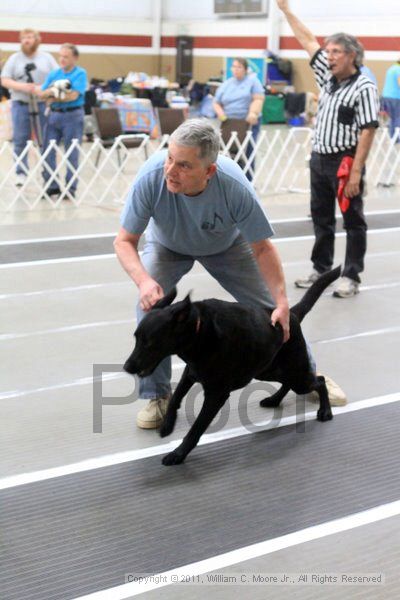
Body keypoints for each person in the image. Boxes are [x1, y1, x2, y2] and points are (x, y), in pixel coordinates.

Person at [114, 119, 346, 430]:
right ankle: (158, 394)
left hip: (227, 246)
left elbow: (263, 249)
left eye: (183, 165)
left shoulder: (235, 187)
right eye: (169, 158)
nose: (170, 170)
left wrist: (281, 299)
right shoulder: (151, 178)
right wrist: (144, 281)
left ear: (209, 170)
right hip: (167, 245)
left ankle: (308, 373)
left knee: (277, 317)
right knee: (148, 314)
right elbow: (124, 241)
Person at [276, 0, 379, 299]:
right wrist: (286, 11)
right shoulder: (327, 78)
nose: (328, 56)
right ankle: (321, 269)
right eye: (328, 51)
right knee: (321, 217)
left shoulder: (364, 87)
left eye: (335, 52)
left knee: (352, 220)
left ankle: (351, 275)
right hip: (319, 159)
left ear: (352, 56)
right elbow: (307, 39)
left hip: (345, 162)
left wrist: (357, 170)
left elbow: (368, 129)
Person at [0, 29, 57, 186]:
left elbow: (58, 77)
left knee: (45, 139)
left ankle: (48, 173)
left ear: (37, 39)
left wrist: (44, 90)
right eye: (24, 37)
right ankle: (21, 172)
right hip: (20, 103)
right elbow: (4, 80)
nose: (26, 40)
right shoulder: (14, 59)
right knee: (20, 139)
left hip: (41, 103)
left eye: (30, 37)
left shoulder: (47, 58)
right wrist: (23, 87)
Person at [37, 43, 87, 198]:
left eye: (66, 56)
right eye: (61, 56)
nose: (62, 59)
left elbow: (74, 96)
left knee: (71, 152)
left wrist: (52, 94)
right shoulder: (54, 73)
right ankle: (51, 185)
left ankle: (70, 189)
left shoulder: (80, 73)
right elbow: (41, 94)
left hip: (73, 116)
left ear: (75, 58)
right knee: (47, 151)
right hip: (53, 115)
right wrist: (55, 93)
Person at [213, 58, 265, 181]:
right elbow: (216, 102)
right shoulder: (227, 83)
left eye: (239, 67)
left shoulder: (253, 81)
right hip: (228, 122)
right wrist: (221, 114)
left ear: (245, 69)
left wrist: (253, 113)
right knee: (226, 150)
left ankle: (247, 180)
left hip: (247, 122)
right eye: (234, 67)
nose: (236, 70)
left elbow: (258, 99)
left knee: (247, 152)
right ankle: (227, 178)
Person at [381, 59, 400, 143]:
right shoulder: (399, 69)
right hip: (395, 97)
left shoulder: (391, 68)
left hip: (386, 96)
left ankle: (393, 136)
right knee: (398, 117)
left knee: (392, 118)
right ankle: (397, 137)